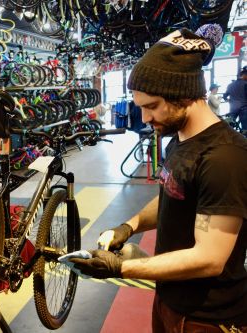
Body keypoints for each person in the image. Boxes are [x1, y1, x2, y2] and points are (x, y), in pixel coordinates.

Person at [68, 25, 247, 333]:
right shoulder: (179, 138)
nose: (146, 118)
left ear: (184, 95)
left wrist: (121, 268)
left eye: (152, 107)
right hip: (169, 299)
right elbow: (171, 193)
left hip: (208, 319)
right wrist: (130, 226)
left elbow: (210, 258)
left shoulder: (224, 158)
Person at [223, 66, 247, 131]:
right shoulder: (245, 84)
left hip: (233, 108)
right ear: (244, 75)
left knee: (230, 126)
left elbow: (224, 96)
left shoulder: (230, 85)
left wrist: (230, 101)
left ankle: (228, 139)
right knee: (245, 128)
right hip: (244, 109)